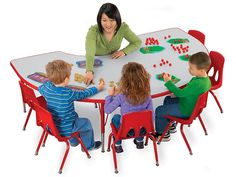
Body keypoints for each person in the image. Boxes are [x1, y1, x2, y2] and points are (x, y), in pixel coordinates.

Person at [38, 59, 105, 150]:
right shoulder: (68, 93)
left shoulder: (46, 88)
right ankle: (88, 146)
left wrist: (53, 78)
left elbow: (41, 87)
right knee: (86, 122)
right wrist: (97, 88)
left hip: (52, 126)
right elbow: (83, 94)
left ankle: (74, 142)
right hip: (66, 128)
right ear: (66, 79)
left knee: (75, 115)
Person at [154, 52, 212, 141]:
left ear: (201, 70)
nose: (189, 70)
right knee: (168, 99)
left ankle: (162, 134)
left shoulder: (197, 83)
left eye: (191, 68)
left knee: (159, 110)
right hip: (190, 103)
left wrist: (168, 82)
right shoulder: (204, 80)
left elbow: (180, 94)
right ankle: (171, 125)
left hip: (186, 110)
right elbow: (188, 92)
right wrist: (176, 92)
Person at [85, 3, 142, 85]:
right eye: (104, 20)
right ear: (99, 20)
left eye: (112, 20)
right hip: (97, 62)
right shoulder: (93, 31)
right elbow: (90, 53)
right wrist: (89, 71)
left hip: (114, 63)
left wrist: (124, 51)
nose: (108, 24)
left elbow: (137, 42)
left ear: (117, 19)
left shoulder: (123, 28)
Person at [104, 62, 154, 153]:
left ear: (124, 81)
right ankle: (139, 141)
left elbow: (107, 110)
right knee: (142, 119)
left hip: (125, 130)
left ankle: (118, 144)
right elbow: (151, 118)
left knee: (115, 118)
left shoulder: (121, 97)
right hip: (142, 130)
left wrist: (110, 96)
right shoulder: (148, 96)